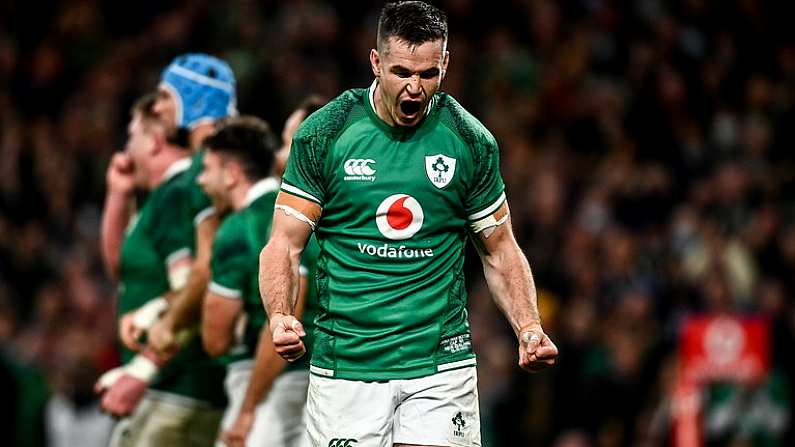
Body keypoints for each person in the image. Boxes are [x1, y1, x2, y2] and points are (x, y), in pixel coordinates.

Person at [259, 2, 558, 446]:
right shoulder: (325, 135)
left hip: (440, 363)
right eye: (401, 72)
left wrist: (528, 325)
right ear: (375, 62)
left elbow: (499, 250)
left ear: (446, 64)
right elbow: (283, 245)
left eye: (428, 74)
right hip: (348, 364)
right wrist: (280, 315)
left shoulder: (469, 141)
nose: (415, 88)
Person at [97, 54, 236, 423]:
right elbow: (124, 269)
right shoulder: (192, 180)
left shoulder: (192, 182)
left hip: (180, 390)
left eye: (165, 95)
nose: (159, 106)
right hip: (186, 386)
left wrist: (143, 367)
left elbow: (199, 279)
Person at [197, 116, 318, 447]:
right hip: (329, 377)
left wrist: (248, 408)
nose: (201, 181)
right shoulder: (304, 213)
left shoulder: (239, 228)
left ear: (233, 174)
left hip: (270, 383)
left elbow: (216, 338)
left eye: (207, 169)